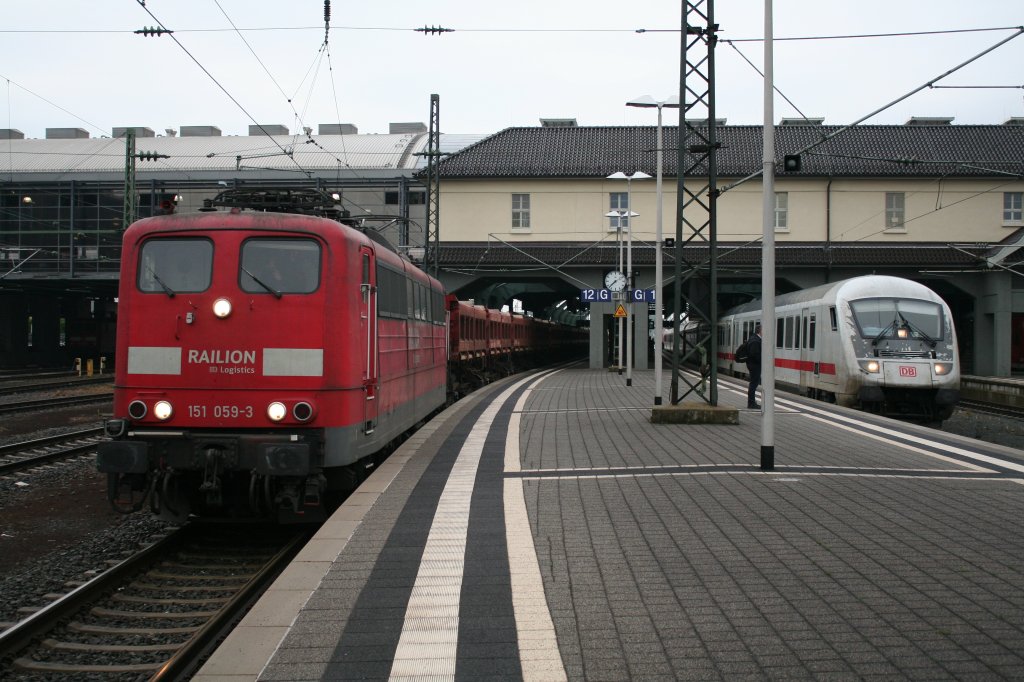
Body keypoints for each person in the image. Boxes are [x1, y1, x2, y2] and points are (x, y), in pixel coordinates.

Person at [745, 323, 763, 409]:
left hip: (752, 364)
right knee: (753, 384)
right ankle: (751, 403)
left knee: (754, 383)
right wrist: (762, 361)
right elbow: (754, 354)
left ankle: (752, 402)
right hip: (755, 365)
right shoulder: (756, 341)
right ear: (760, 331)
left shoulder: (753, 339)